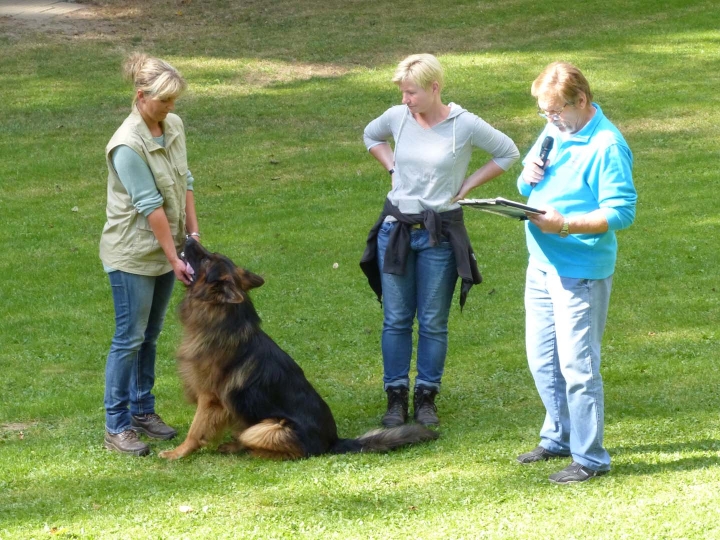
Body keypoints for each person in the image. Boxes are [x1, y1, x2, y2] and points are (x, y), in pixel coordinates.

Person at [360, 53, 519, 427]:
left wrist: (468, 185)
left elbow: (507, 152)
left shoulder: (463, 125)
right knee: (396, 319)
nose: (405, 100)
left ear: (434, 88)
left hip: (441, 235)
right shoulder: (397, 118)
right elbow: (370, 135)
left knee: (432, 321)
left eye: (411, 92)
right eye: (402, 93)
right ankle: (396, 398)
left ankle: (426, 396)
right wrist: (391, 165)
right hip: (396, 230)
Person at [515, 61, 637, 483]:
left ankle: (590, 458)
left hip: (580, 269)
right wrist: (526, 178)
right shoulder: (554, 130)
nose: (549, 121)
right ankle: (558, 436)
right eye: (543, 113)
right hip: (542, 264)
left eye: (555, 112)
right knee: (541, 359)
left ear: (580, 101)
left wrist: (564, 224)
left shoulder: (606, 145)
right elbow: (527, 185)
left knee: (578, 367)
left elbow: (621, 212)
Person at [100, 53, 198, 456]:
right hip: (133, 255)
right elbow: (150, 205)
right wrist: (175, 257)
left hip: (167, 248)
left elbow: (186, 181)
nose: (171, 108)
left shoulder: (172, 126)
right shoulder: (126, 144)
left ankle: (143, 410)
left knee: (150, 335)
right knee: (129, 338)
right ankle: (116, 426)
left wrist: (192, 237)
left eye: (174, 101)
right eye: (164, 101)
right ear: (141, 97)